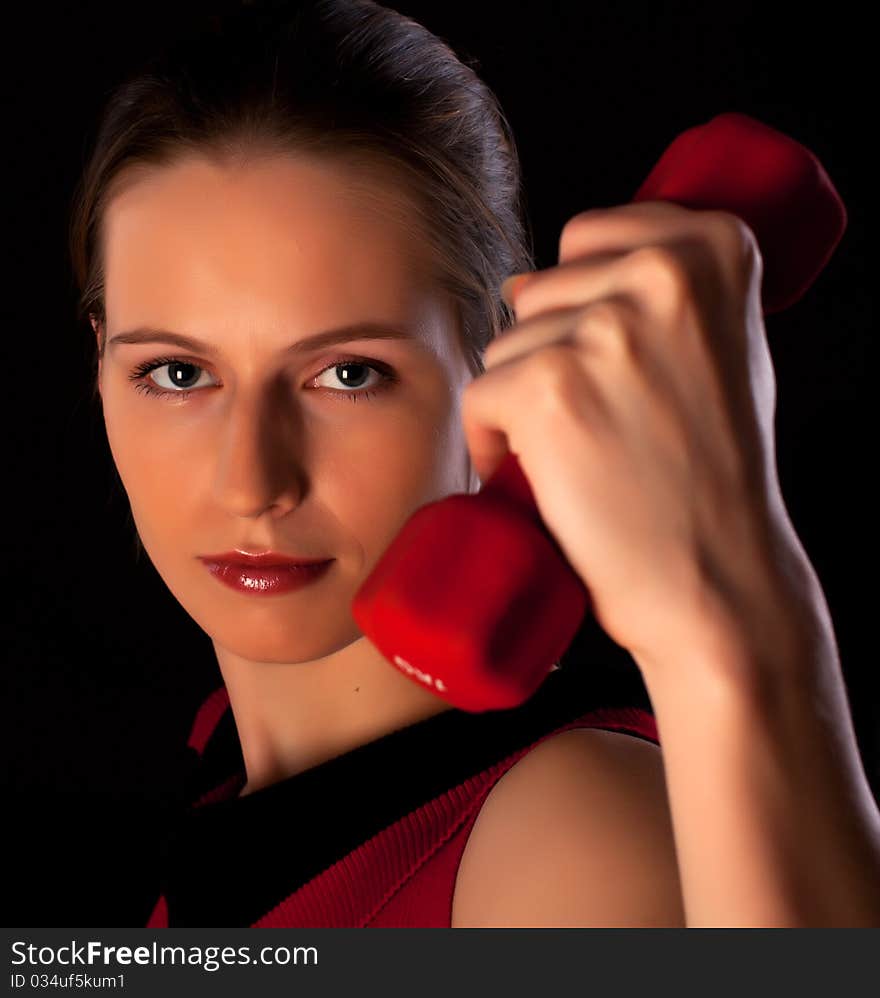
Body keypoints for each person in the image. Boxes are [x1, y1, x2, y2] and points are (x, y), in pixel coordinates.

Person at [67, 0, 880, 928]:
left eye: (348, 373)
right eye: (176, 372)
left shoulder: (567, 844)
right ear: (100, 364)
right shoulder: (227, 801)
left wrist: (735, 628)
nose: (254, 482)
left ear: (498, 359)